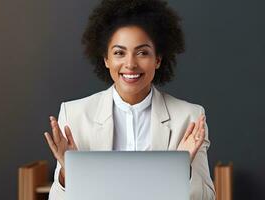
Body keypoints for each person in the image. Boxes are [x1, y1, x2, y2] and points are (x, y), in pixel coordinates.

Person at [43, 0, 215, 199]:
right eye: (119, 53)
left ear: (158, 59)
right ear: (106, 59)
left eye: (142, 52)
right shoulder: (74, 115)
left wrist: (183, 168)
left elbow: (207, 197)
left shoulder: (189, 117)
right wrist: (68, 172)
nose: (130, 64)